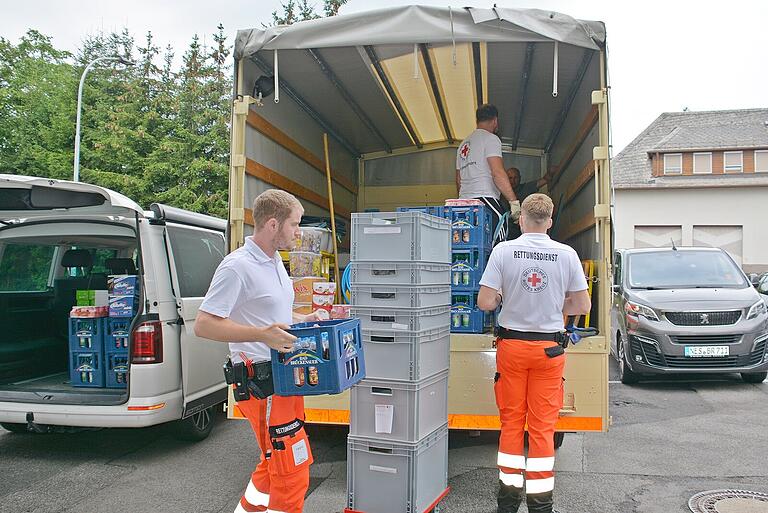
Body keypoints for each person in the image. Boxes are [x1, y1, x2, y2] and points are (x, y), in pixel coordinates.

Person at [195, 189, 322, 513]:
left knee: (273, 461)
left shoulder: (274, 261)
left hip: (283, 376)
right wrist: (260, 335)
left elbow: (270, 316)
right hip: (260, 381)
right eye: (294, 225)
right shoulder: (237, 266)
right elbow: (204, 324)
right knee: (290, 468)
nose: (299, 232)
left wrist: (303, 318)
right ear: (272, 224)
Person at [477, 193, 591, 513]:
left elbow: (485, 303)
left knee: (512, 423)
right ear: (550, 222)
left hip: (512, 348)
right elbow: (582, 305)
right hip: (549, 351)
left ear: (522, 220)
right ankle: (541, 505)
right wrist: (558, 306)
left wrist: (504, 297)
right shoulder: (566, 254)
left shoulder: (504, 251)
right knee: (542, 429)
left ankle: (508, 501)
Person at [456, 103, 519, 245]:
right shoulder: (491, 139)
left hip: (463, 204)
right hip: (485, 199)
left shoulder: (463, 145)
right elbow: (497, 172)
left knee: (469, 241)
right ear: (495, 120)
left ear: (477, 120)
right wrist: (514, 203)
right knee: (500, 234)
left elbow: (458, 179)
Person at [504, 167, 548, 240]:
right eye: (510, 178)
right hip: (506, 230)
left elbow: (545, 180)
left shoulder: (526, 188)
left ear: (520, 178)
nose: (513, 181)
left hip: (525, 230)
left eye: (515, 178)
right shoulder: (500, 192)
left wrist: (552, 172)